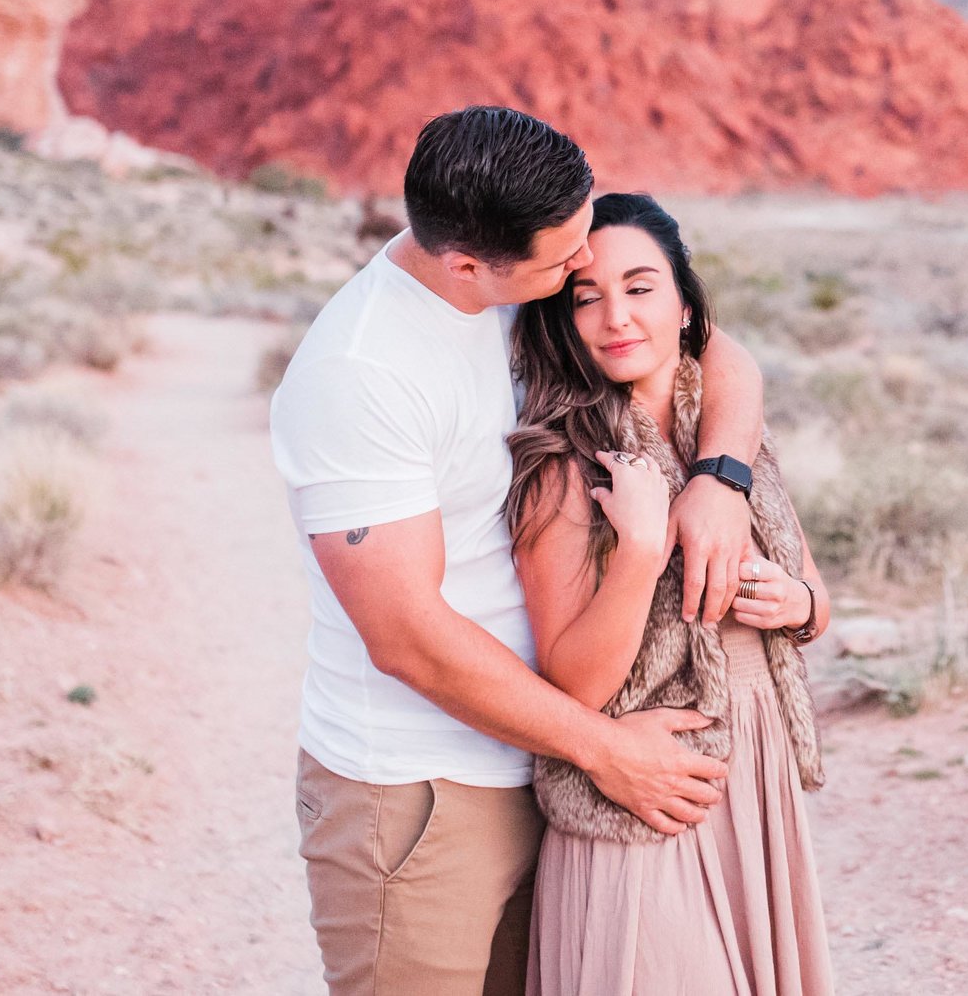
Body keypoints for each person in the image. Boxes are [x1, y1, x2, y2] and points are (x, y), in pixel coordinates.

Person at [271, 108, 773, 996]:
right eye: (565, 256)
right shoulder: (362, 375)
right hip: (419, 796)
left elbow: (706, 341)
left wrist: (722, 477)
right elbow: (406, 634)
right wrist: (606, 750)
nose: (584, 265)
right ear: (468, 263)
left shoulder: (518, 293)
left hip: (541, 764)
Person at [505, 193, 834, 996]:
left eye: (641, 286)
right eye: (587, 298)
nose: (615, 315)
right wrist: (642, 550)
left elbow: (818, 601)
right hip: (645, 799)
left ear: (686, 306)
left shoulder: (733, 434)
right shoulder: (565, 460)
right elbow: (575, 682)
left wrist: (794, 603)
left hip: (753, 777)